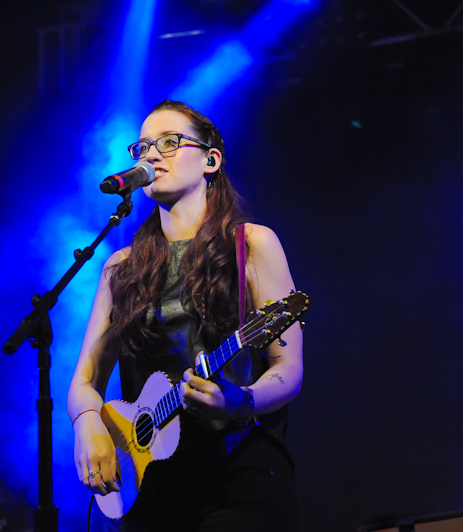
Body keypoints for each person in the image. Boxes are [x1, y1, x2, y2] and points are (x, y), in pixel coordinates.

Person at [67, 100, 303, 531]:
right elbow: (84, 382)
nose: (152, 155)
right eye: (142, 148)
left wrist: (239, 401)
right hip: (154, 485)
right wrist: (87, 423)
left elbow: (288, 368)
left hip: (238, 473)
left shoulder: (253, 245)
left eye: (170, 142)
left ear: (211, 160)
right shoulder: (121, 266)